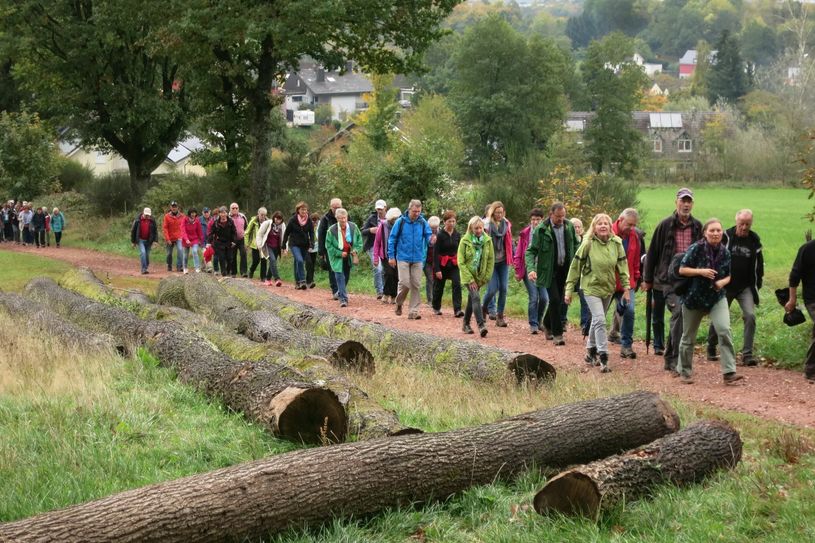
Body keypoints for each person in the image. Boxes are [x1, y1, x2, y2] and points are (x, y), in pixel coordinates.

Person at [676, 219, 744, 385]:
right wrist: (701, 271)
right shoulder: (696, 248)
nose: (715, 233)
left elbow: (729, 275)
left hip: (716, 297)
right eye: (712, 230)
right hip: (694, 298)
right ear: (705, 233)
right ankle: (684, 371)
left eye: (718, 231)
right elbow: (682, 269)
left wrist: (722, 282)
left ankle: (729, 373)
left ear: (722, 233)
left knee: (724, 330)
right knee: (688, 337)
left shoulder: (725, 252)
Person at [642, 188, 702, 372]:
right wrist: (647, 279)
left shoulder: (698, 226)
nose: (686, 204)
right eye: (683, 201)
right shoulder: (665, 225)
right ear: (676, 202)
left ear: (692, 204)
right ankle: (676, 359)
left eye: (689, 201)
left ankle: (669, 357)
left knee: (679, 317)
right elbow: (652, 253)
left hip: (689, 280)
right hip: (667, 279)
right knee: (679, 313)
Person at [565, 213, 630, 373]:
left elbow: (623, 267)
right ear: (594, 227)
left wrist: (627, 288)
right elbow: (575, 267)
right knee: (600, 320)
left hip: (608, 288)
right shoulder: (587, 244)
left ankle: (589, 352)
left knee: (596, 319)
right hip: (590, 287)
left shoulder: (617, 243)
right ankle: (603, 356)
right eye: (599, 223)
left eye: (605, 224)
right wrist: (568, 290)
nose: (602, 226)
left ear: (610, 227)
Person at [707, 210, 764, 366]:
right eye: (741, 224)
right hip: (726, 285)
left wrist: (757, 284)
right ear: (736, 222)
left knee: (750, 316)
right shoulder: (726, 236)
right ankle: (711, 346)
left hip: (745, 286)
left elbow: (759, 265)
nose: (744, 227)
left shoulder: (754, 240)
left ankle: (747, 354)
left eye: (747, 224)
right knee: (719, 317)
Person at [527, 202, 577, 345]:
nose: (561, 219)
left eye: (563, 216)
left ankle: (547, 323)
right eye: (558, 216)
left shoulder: (569, 226)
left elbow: (576, 245)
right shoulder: (541, 230)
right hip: (549, 271)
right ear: (551, 214)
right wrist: (531, 269)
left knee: (560, 301)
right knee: (554, 300)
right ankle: (557, 334)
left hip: (566, 270)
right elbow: (531, 251)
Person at [388, 199, 434, 320]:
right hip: (402, 256)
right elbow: (392, 239)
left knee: (416, 284)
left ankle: (413, 311)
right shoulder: (400, 222)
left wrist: (431, 240)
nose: (417, 213)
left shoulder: (422, 222)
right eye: (415, 211)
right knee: (404, 283)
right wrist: (391, 256)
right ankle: (399, 303)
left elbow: (428, 235)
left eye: (419, 211)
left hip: (418, 257)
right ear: (409, 210)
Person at [609, 208, 645, 359]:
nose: (631, 228)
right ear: (620, 219)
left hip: (626, 282)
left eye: (634, 225)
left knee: (629, 311)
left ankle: (626, 346)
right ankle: (594, 347)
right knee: (597, 315)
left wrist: (637, 278)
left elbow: (636, 260)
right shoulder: (608, 233)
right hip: (607, 281)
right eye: (629, 224)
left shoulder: (634, 236)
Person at [785, 235, 815, 383]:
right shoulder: (807, 249)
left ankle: (811, 368)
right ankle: (810, 369)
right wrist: (792, 299)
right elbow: (795, 275)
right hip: (812, 299)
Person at [458, 216, 495, 337]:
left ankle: (466, 324)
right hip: (468, 276)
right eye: (476, 228)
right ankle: (481, 325)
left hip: (480, 276)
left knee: (471, 299)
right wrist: (470, 279)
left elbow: (490, 260)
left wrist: (485, 278)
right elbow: (461, 262)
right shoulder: (464, 241)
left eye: (480, 228)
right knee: (476, 297)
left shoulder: (488, 241)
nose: (478, 230)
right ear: (471, 228)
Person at [514, 208, 548, 335]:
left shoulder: (546, 232)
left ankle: (539, 321)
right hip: (529, 270)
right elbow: (518, 254)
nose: (535, 222)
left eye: (538, 219)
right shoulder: (525, 234)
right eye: (533, 219)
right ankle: (533, 324)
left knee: (544, 298)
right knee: (534, 297)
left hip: (543, 271)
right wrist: (517, 270)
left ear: (542, 220)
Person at [481, 202, 513, 328]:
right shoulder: (486, 225)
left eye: (501, 212)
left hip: (504, 260)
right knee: (493, 289)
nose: (499, 215)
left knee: (504, 288)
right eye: (497, 212)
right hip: (491, 262)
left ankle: (500, 316)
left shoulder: (507, 224)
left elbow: (509, 242)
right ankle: (484, 308)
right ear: (492, 212)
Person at [325, 208, 362, 307]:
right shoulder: (331, 230)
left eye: (344, 218)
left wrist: (356, 250)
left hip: (349, 256)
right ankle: (343, 299)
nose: (343, 220)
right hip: (337, 258)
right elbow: (328, 246)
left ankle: (339, 292)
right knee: (340, 277)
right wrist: (339, 253)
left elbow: (359, 241)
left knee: (346, 277)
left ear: (347, 217)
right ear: (337, 218)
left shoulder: (354, 227)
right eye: (341, 218)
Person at [432, 211, 463, 317]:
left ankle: (457, 309)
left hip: (454, 264)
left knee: (457, 284)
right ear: (444, 222)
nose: (452, 223)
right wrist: (437, 269)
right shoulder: (440, 235)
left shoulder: (457, 235)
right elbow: (435, 253)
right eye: (449, 221)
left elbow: (460, 250)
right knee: (439, 286)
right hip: (442, 264)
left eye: (454, 221)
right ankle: (436, 307)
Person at [283, 202, 316, 290]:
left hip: (305, 245)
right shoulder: (293, 220)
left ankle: (304, 282)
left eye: (305, 209)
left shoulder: (308, 220)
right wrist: (283, 245)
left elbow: (312, 233)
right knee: (300, 261)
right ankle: (302, 281)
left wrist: (312, 243)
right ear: (298, 210)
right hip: (294, 244)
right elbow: (286, 233)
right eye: (302, 209)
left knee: (308, 262)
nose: (304, 211)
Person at [373, 207, 401, 305]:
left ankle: (393, 296)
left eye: (397, 218)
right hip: (385, 255)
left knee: (396, 276)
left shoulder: (401, 226)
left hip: (398, 255)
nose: (395, 221)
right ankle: (385, 294)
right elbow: (377, 243)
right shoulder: (383, 226)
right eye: (394, 219)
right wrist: (375, 258)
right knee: (389, 273)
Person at [362, 199, 387, 299]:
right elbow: (363, 231)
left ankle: (386, 290)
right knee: (378, 268)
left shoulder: (390, 218)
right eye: (378, 209)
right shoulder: (371, 218)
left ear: (385, 208)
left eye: (381, 209)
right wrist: (370, 230)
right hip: (372, 246)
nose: (379, 211)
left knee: (385, 269)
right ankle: (379, 291)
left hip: (385, 247)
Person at [318, 198, 342, 299]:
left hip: (342, 247)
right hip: (330, 248)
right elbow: (321, 234)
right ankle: (335, 290)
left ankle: (342, 289)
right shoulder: (325, 218)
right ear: (330, 207)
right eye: (334, 207)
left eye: (338, 207)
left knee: (343, 269)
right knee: (333, 269)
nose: (336, 209)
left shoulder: (346, 215)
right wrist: (321, 251)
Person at [208, 206, 237, 276]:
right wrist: (209, 242)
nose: (223, 215)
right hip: (219, 243)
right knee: (221, 258)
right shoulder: (216, 223)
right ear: (219, 214)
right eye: (221, 213)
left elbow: (234, 232)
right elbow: (211, 233)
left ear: (227, 213)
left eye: (224, 213)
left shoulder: (231, 221)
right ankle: (223, 272)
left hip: (229, 242)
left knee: (230, 258)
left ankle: (227, 271)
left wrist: (234, 241)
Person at [256, 213, 283, 286]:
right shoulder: (267, 223)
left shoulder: (282, 226)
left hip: (277, 247)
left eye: (279, 219)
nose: (278, 220)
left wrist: (284, 247)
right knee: (273, 260)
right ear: (274, 218)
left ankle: (268, 279)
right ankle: (277, 279)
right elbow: (259, 234)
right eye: (276, 218)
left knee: (272, 262)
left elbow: (283, 236)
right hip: (268, 246)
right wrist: (259, 245)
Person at [163, 201, 188, 272]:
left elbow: (185, 226)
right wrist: (167, 239)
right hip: (170, 237)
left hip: (179, 237)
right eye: (172, 207)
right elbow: (165, 228)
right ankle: (169, 265)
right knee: (169, 253)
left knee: (180, 250)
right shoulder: (167, 216)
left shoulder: (183, 216)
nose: (174, 208)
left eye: (175, 207)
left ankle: (179, 266)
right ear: (170, 207)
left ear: (177, 207)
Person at [131, 207, 157, 274]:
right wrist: (133, 242)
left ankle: (145, 267)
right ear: (143, 213)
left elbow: (155, 231)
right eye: (146, 215)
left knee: (147, 255)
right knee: (143, 253)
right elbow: (133, 231)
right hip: (140, 240)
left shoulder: (152, 220)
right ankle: (143, 269)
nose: (147, 216)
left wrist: (155, 241)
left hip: (149, 240)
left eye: (148, 215)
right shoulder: (137, 220)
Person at [245, 207, 268, 279]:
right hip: (255, 244)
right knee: (256, 260)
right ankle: (251, 270)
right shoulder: (253, 221)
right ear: (258, 214)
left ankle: (263, 277)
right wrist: (246, 244)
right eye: (261, 215)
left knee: (264, 260)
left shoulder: (268, 222)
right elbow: (247, 232)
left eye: (264, 215)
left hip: (264, 244)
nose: (263, 217)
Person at [228, 203, 249, 277]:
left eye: (236, 208)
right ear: (230, 209)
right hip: (232, 240)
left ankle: (243, 272)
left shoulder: (243, 216)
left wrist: (247, 238)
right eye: (233, 208)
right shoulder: (227, 217)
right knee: (232, 256)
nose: (235, 209)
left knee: (243, 254)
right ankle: (233, 272)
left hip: (242, 239)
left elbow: (247, 228)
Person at [424, 216, 440, 305]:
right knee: (430, 279)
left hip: (437, 261)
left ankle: (435, 299)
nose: (434, 229)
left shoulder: (441, 233)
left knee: (436, 280)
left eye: (435, 228)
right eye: (432, 228)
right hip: (426, 260)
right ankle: (430, 300)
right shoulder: (425, 232)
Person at [183, 208, 203, 273]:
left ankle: (197, 268)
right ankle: (185, 268)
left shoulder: (197, 221)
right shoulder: (185, 220)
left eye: (194, 213)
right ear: (189, 214)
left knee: (194, 251)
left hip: (195, 239)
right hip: (186, 239)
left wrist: (200, 240)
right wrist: (186, 239)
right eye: (192, 213)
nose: (193, 214)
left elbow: (199, 231)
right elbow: (183, 230)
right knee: (186, 255)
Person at [306, 212, 321, 288]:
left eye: (316, 220)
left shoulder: (320, 226)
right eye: (313, 220)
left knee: (313, 264)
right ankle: (308, 280)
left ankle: (310, 280)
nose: (315, 222)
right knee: (309, 263)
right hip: (307, 246)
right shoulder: (307, 225)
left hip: (315, 247)